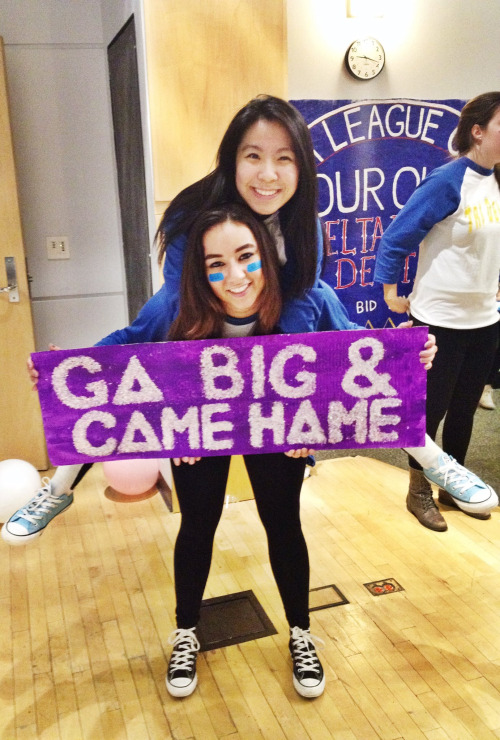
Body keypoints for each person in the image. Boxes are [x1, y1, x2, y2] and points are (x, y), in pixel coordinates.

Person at [3, 93, 496, 541]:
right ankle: (60, 486)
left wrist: (391, 356)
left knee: (341, 332)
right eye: (253, 156)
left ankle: (431, 458)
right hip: (206, 335)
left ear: (301, 167)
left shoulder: (304, 228)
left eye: (284, 159)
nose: (268, 175)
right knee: (131, 349)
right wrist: (73, 372)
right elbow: (172, 313)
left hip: (273, 343)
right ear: (232, 160)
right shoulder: (192, 217)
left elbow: (314, 312)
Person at [374, 91, 500, 531]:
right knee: (431, 412)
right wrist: (391, 292)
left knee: (466, 408)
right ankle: (418, 490)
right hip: (439, 321)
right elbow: (396, 237)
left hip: (484, 320)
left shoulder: (497, 181)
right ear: (477, 131)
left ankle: (454, 485)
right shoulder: (447, 181)